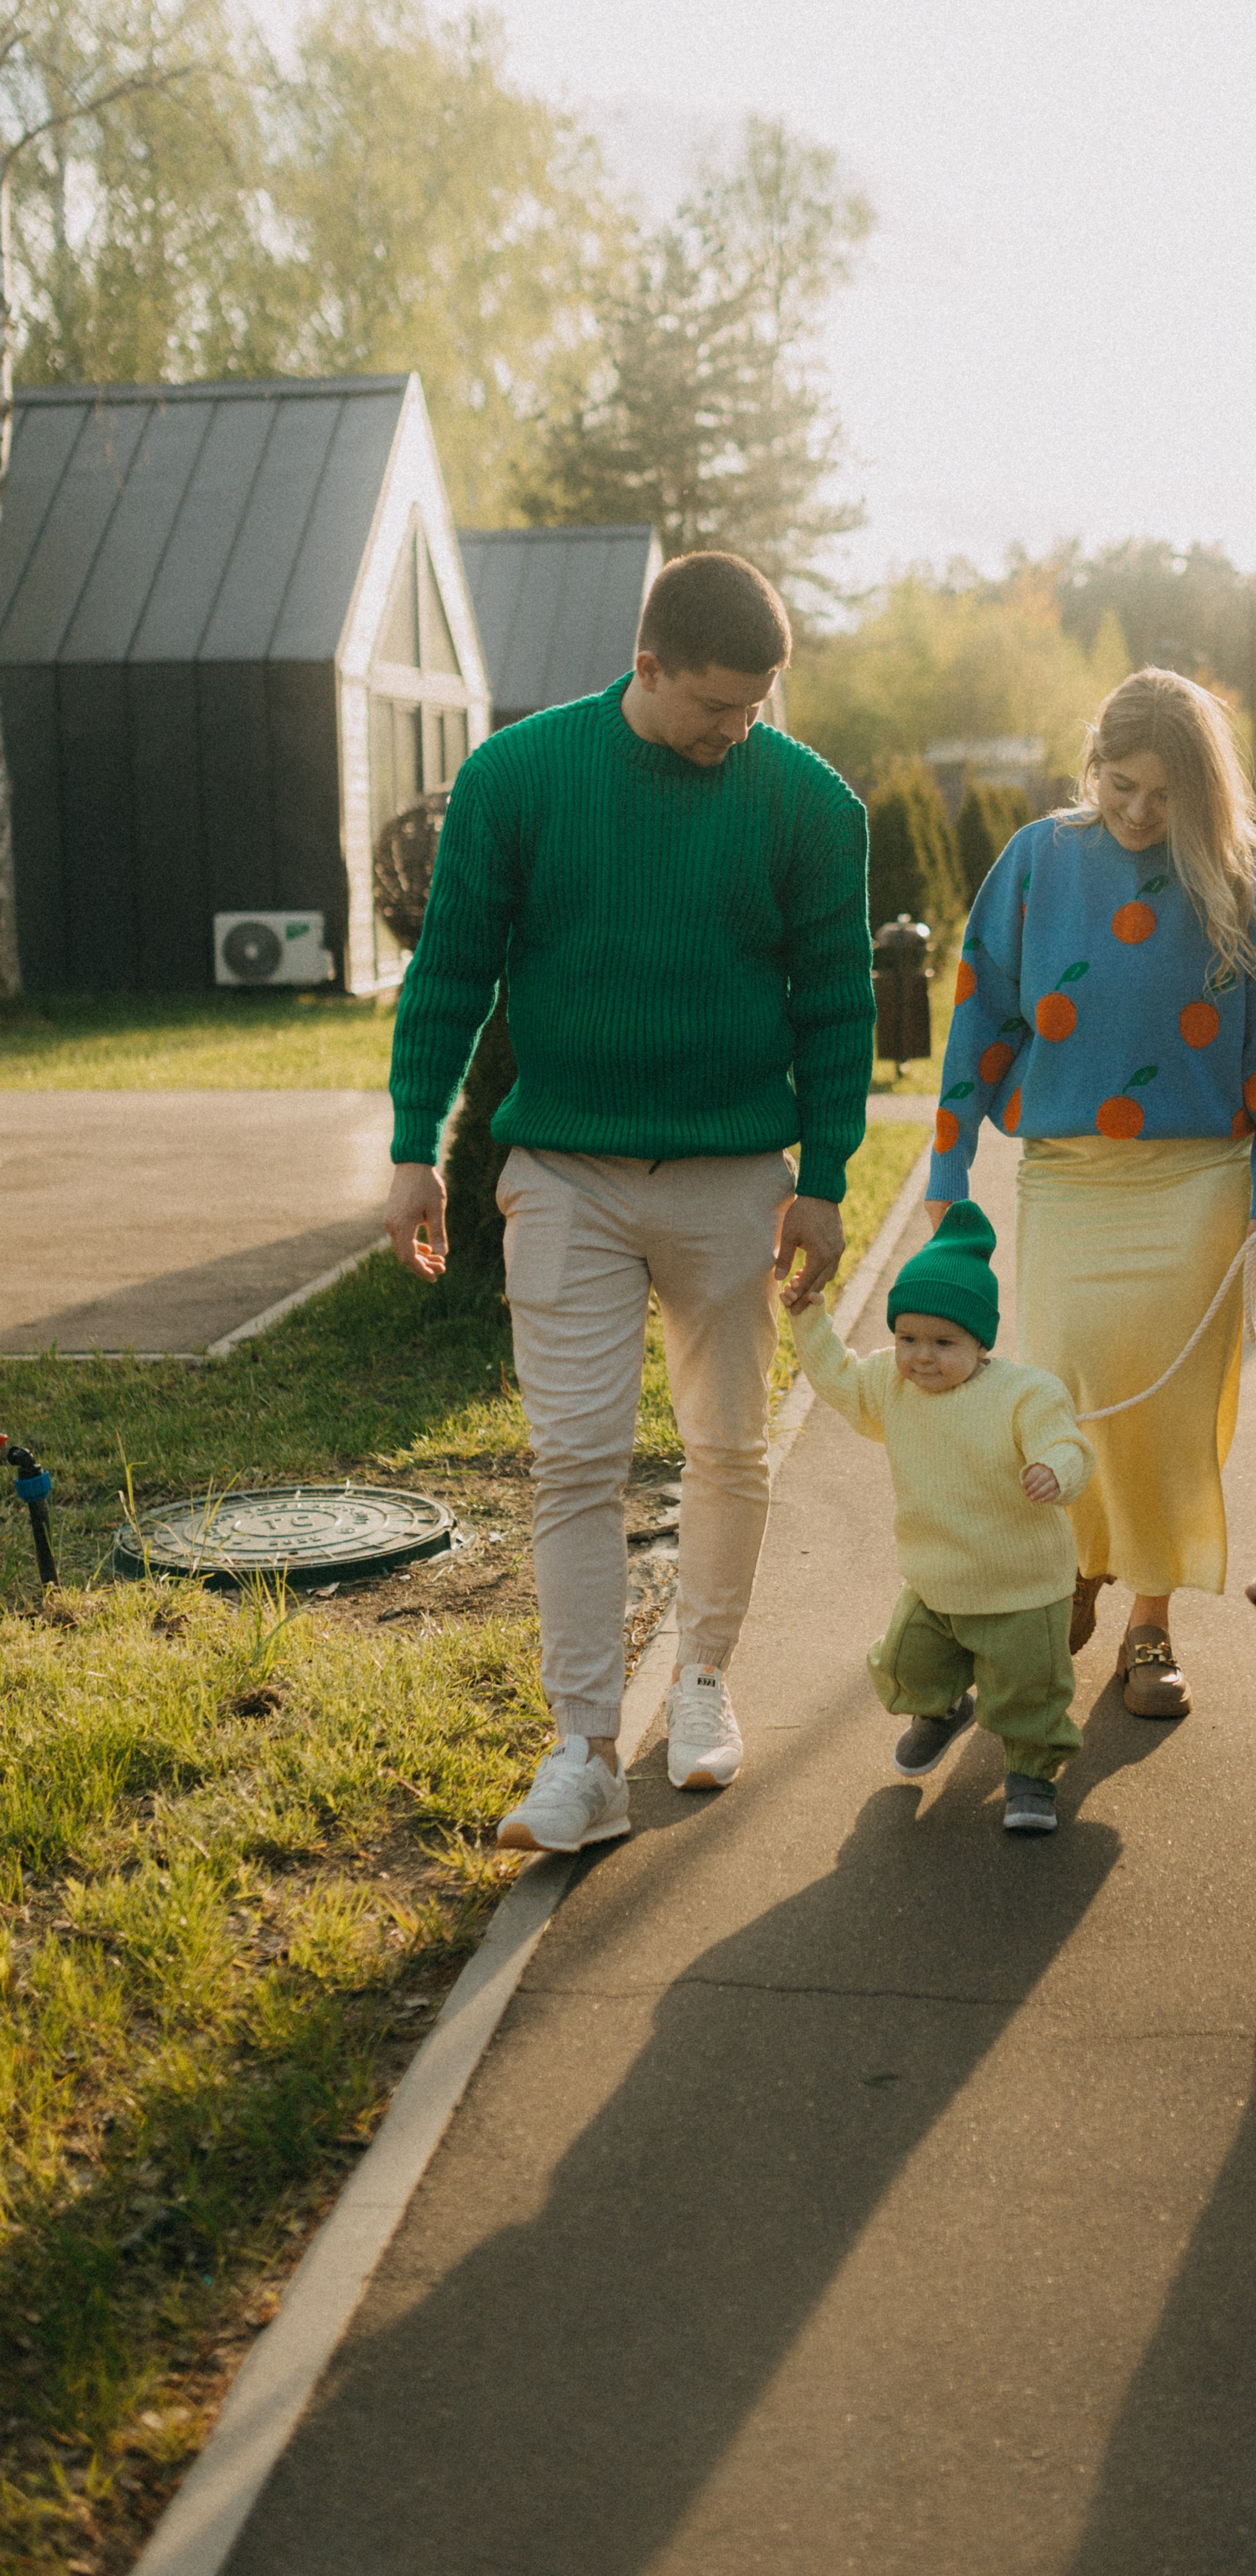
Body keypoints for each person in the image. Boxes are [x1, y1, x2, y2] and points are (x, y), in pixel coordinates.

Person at [383, 551, 874, 1853]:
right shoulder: (520, 777)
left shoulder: (809, 804)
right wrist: (413, 1146)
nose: (737, 731)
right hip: (569, 1173)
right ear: (646, 666)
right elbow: (452, 973)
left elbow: (836, 1001)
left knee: (725, 1444)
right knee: (578, 1460)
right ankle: (585, 1752)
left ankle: (702, 1682)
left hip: (730, 1180)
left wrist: (823, 1181)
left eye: (758, 706)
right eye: (716, 705)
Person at [926, 667, 1256, 1717]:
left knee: (1168, 1409)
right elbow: (981, 1012)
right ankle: (1071, 1573)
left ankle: (1147, 1623)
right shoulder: (1037, 863)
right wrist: (945, 1162)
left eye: (1165, 794)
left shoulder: (1242, 876)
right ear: (1091, 768)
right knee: (1067, 1388)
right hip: (1069, 1179)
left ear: (1202, 788)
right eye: (1121, 787)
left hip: (1198, 1183)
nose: (1141, 813)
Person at [789, 1201, 1094, 1833]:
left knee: (1027, 1691)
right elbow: (838, 1378)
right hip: (935, 1580)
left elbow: (1069, 1445)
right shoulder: (892, 1387)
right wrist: (808, 1318)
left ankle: (1031, 1775)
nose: (922, 1357)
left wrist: (1056, 1471)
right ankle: (941, 1710)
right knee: (907, 1663)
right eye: (907, 1339)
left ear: (980, 1342)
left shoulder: (1024, 1393)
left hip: (1022, 1587)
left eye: (943, 1343)